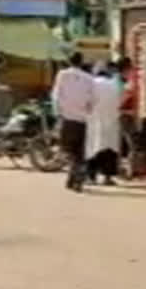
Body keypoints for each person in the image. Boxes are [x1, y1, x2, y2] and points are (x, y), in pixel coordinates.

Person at [52, 52, 96, 192]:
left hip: (67, 119)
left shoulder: (62, 75)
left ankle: (74, 179)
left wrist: (58, 113)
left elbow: (56, 95)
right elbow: (93, 100)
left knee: (69, 152)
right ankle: (75, 179)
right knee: (79, 153)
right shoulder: (89, 79)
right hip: (82, 120)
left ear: (69, 61)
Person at [85, 61, 122, 186]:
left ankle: (91, 177)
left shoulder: (92, 84)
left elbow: (87, 102)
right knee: (109, 150)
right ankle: (107, 177)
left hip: (95, 121)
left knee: (93, 148)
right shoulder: (114, 84)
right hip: (111, 122)